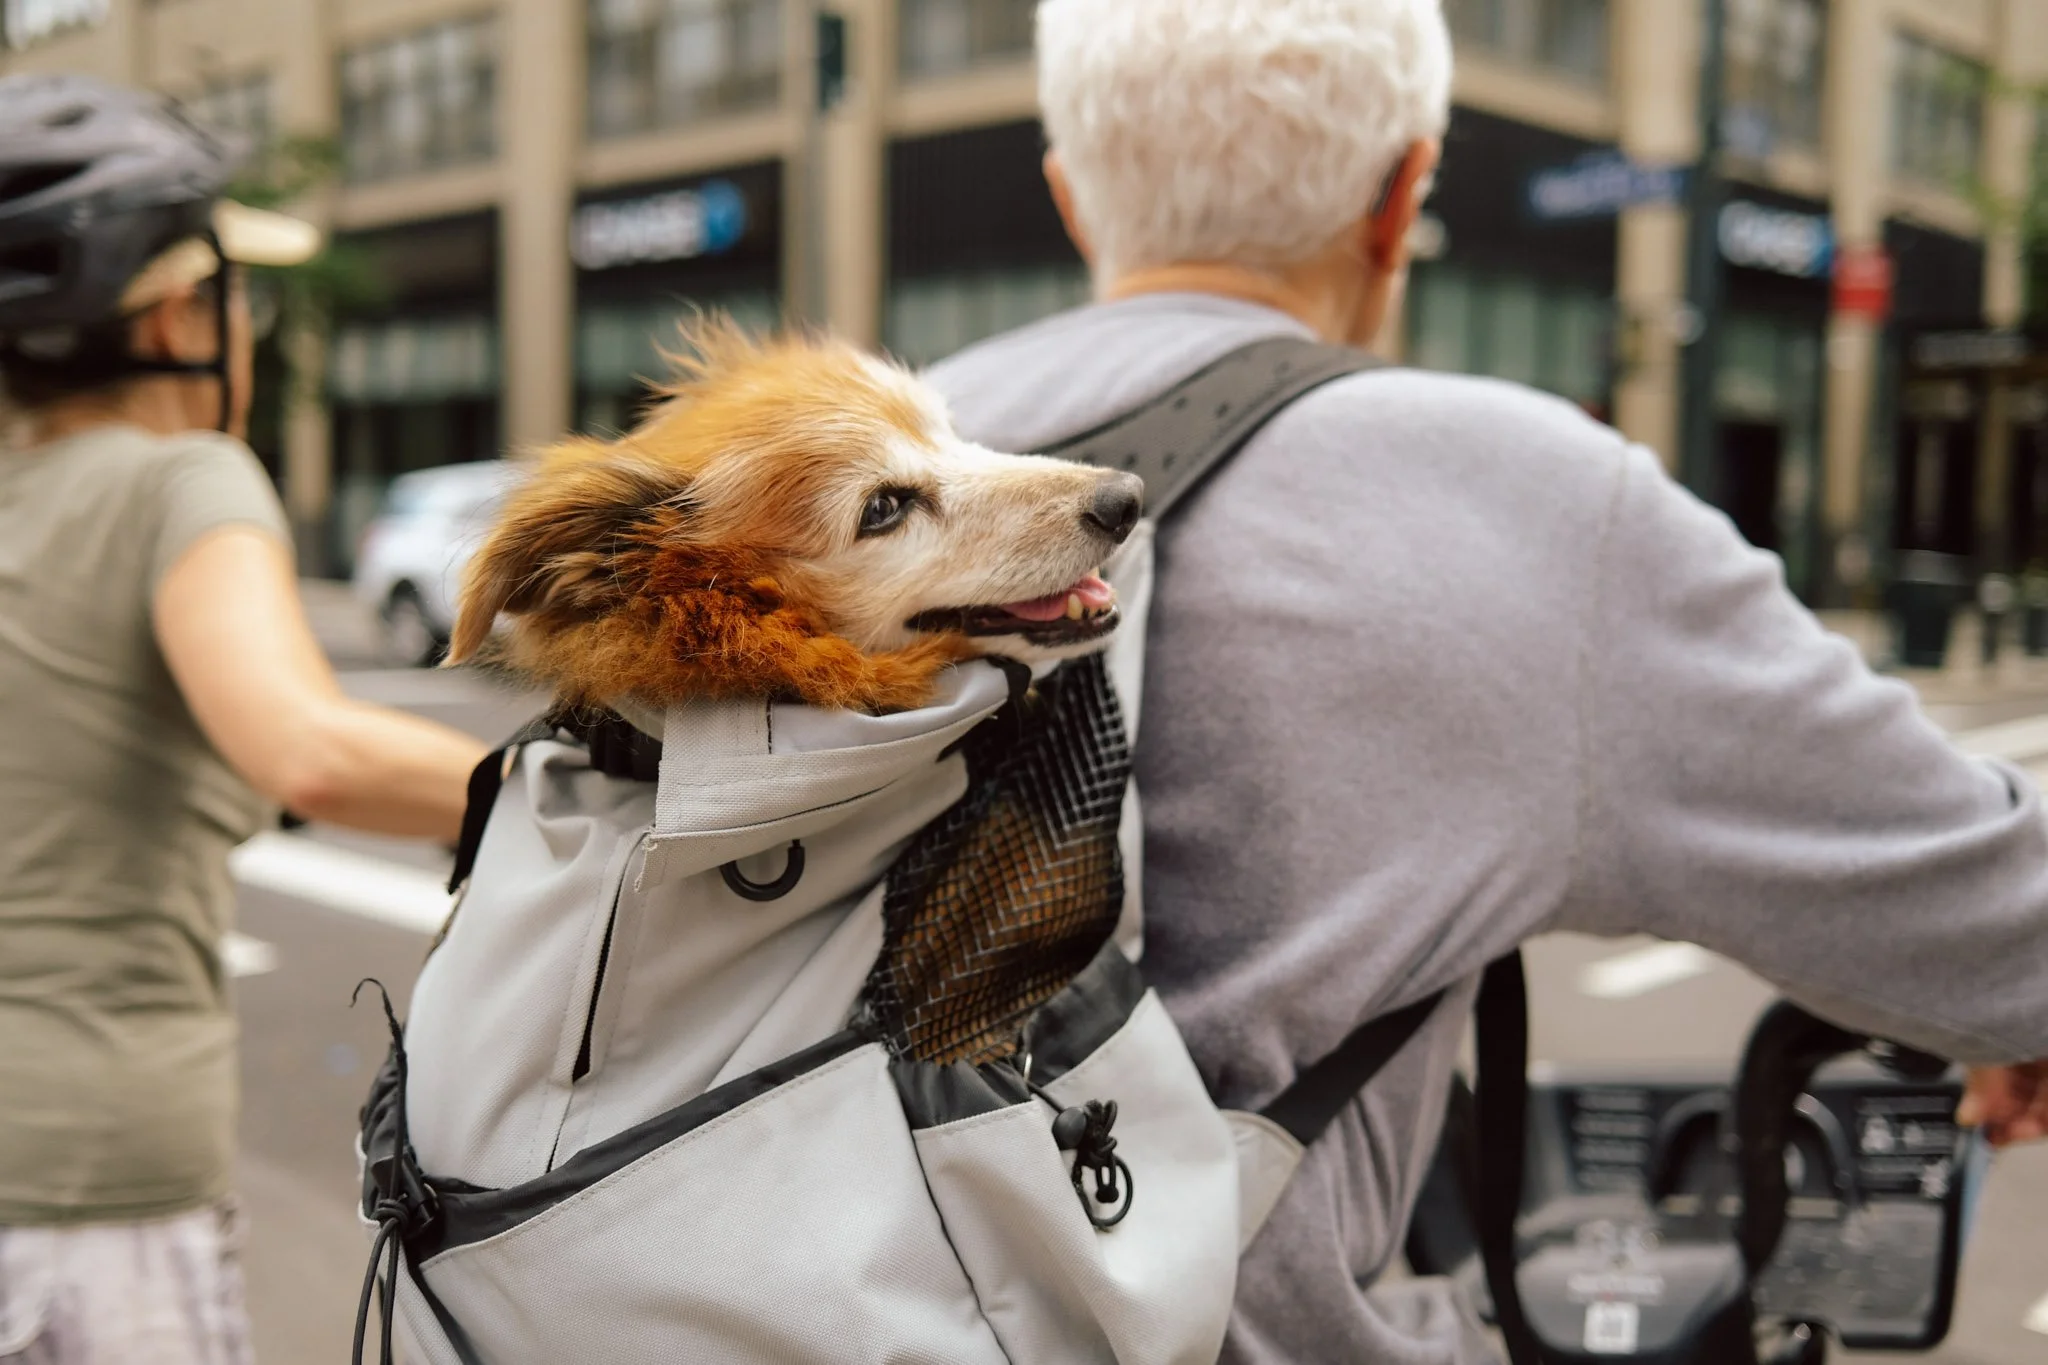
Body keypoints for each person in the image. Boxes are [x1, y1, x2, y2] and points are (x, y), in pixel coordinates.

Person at [922, 2, 2048, 1360]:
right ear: (1402, 197)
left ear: (1069, 191)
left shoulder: (874, 460)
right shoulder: (1532, 507)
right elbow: (2002, 921)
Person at [0, 75, 488, 1364]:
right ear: (175, 312)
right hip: (87, 1199)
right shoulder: (183, 480)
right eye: (238, 294)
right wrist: (578, 787)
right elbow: (306, 750)